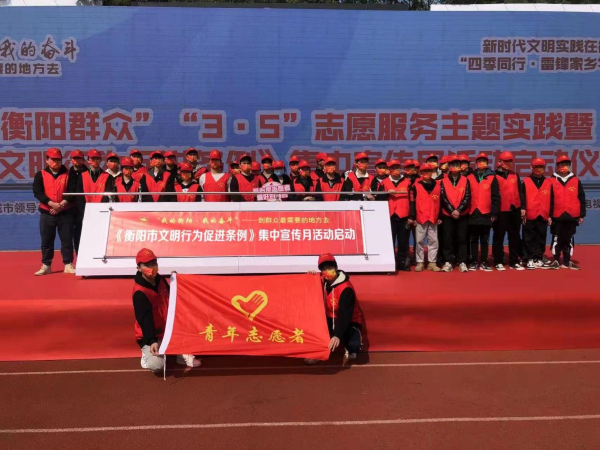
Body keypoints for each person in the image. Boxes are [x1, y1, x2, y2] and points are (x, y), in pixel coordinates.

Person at [133, 248, 200, 372]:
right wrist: (152, 340)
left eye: (154, 263)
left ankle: (178, 353)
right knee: (157, 366)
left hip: (168, 330)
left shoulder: (160, 280)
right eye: (147, 265)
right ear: (139, 268)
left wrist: (177, 282)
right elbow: (145, 319)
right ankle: (148, 354)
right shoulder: (140, 293)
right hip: (151, 334)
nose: (151, 267)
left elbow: (172, 298)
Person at [304, 253, 363, 365]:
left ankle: (349, 346)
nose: (327, 271)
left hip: (348, 320)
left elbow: (344, 316)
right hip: (329, 318)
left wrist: (337, 335)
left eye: (330, 267)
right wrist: (310, 276)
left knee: (352, 347)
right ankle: (320, 352)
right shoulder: (321, 280)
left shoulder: (346, 289)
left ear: (336, 267)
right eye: (324, 268)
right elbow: (309, 284)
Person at [32, 148, 76, 275]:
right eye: (53, 159)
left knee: (67, 240)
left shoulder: (69, 174)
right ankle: (46, 265)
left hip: (65, 211)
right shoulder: (40, 174)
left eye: (59, 160)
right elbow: (38, 192)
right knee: (47, 240)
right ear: (47, 160)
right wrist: (52, 204)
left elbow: (72, 191)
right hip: (47, 212)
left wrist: (60, 205)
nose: (56, 162)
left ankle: (68, 264)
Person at [548, 155, 586, 270]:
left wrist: (581, 214)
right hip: (557, 215)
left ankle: (566, 261)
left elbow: (581, 198)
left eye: (566, 164)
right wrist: (549, 215)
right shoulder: (551, 180)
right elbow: (548, 200)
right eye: (562, 164)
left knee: (568, 239)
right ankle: (555, 260)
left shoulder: (576, 180)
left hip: (571, 215)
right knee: (557, 238)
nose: (564, 166)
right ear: (557, 166)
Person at [466, 153, 499, 272]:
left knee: (485, 239)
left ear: (487, 163)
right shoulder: (470, 177)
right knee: (473, 239)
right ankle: (474, 261)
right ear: (476, 163)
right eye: (479, 161)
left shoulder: (492, 177)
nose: (481, 163)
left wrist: (494, 213)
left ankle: (484, 261)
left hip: (486, 212)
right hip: (473, 212)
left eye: (484, 161)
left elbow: (495, 197)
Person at [492, 151, 525, 271]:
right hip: (501, 211)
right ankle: (498, 261)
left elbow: (520, 192)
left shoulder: (515, 175)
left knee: (514, 237)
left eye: (510, 161)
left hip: (514, 210)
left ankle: (514, 261)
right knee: (498, 237)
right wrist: (494, 212)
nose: (508, 163)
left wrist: (522, 207)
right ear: (500, 162)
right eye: (506, 161)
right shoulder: (494, 176)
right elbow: (493, 195)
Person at [378, 160, 412, 271]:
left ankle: (403, 263)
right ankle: (390, 264)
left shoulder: (407, 182)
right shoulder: (384, 183)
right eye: (392, 168)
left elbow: (412, 200)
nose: (395, 170)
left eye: (397, 167)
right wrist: (387, 193)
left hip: (404, 216)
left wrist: (411, 216)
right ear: (388, 170)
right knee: (389, 241)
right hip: (390, 216)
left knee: (403, 241)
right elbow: (379, 199)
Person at [440, 156, 471, 273]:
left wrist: (459, 210)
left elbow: (467, 196)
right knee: (447, 238)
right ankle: (448, 261)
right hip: (448, 214)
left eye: (457, 165)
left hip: (462, 214)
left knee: (462, 238)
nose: (455, 167)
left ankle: (462, 261)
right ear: (449, 166)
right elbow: (443, 198)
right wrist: (451, 210)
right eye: (452, 165)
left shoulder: (466, 180)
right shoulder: (443, 181)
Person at [521, 158, 553, 270]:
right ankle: (529, 258)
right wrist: (523, 209)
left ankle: (538, 257)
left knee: (541, 236)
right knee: (528, 237)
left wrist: (550, 215)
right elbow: (522, 197)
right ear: (532, 168)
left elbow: (552, 200)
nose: (539, 169)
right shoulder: (525, 182)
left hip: (543, 213)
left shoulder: (548, 183)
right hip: (529, 214)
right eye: (537, 167)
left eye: (541, 167)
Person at [409, 163, 441, 272]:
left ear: (432, 172)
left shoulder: (438, 185)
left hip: (433, 216)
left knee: (434, 240)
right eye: (424, 171)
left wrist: (440, 216)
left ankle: (432, 262)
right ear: (421, 173)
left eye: (429, 171)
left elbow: (441, 201)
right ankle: (420, 262)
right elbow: (412, 202)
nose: (426, 173)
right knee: (419, 240)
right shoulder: (415, 185)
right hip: (420, 216)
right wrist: (413, 216)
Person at [68, 149, 87, 255]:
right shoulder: (67, 173)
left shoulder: (88, 173)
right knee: (72, 234)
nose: (77, 161)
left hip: (85, 208)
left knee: (85, 233)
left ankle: (86, 256)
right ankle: (77, 256)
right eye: (75, 159)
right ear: (71, 160)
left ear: (83, 160)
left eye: (79, 159)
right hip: (70, 209)